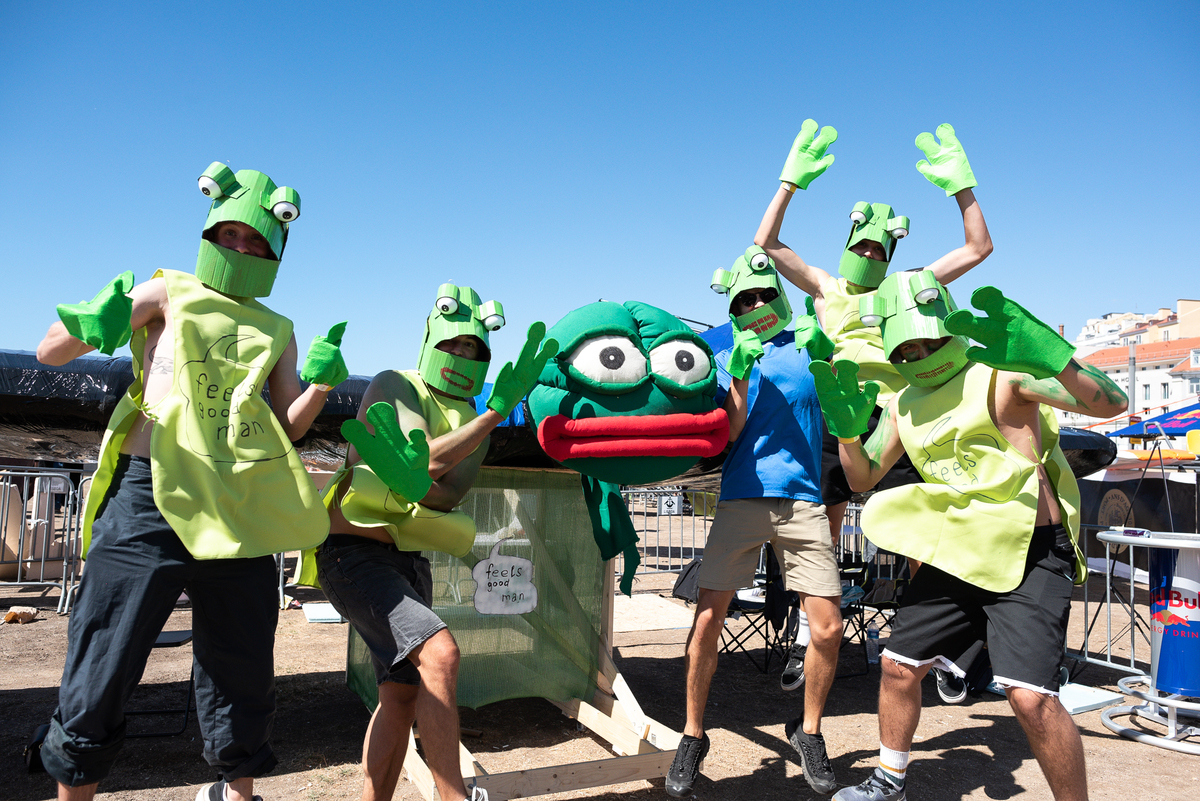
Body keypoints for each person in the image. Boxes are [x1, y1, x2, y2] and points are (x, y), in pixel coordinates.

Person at [36, 162, 347, 801]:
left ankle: (240, 794)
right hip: (150, 501)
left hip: (243, 507)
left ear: (277, 250)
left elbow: (285, 430)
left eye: (256, 240)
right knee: (102, 662)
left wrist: (319, 382)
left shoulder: (277, 329)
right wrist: (91, 321)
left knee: (242, 670)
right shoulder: (167, 289)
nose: (240, 248)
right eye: (229, 234)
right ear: (207, 233)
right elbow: (49, 354)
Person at [810, 274, 1127, 801]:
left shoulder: (998, 376)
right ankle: (890, 781)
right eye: (907, 347)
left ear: (949, 329)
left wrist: (1056, 358)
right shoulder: (903, 403)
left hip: (1030, 552)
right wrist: (846, 430)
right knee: (898, 666)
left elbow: (1109, 405)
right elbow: (863, 478)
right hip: (957, 550)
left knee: (1029, 698)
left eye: (930, 341)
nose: (921, 354)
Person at [754, 120, 993, 698]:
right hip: (840, 426)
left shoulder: (906, 287)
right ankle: (801, 640)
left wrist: (961, 186)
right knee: (817, 544)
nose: (868, 255)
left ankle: (934, 649)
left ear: (890, 254)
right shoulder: (827, 288)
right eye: (861, 245)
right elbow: (765, 246)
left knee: (918, 540)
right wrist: (790, 183)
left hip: (899, 426)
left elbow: (978, 248)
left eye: (878, 248)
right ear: (847, 244)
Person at [310, 284, 555, 801]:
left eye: (475, 349)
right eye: (455, 344)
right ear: (431, 337)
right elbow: (415, 462)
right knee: (441, 655)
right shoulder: (396, 384)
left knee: (400, 694)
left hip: (409, 560)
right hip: (351, 553)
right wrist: (483, 421)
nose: (463, 356)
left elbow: (444, 494)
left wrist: (420, 475)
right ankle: (454, 797)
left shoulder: (475, 425)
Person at [667, 246, 839, 797]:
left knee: (829, 628)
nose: (758, 303)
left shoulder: (812, 345)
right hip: (743, 497)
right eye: (745, 299)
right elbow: (734, 431)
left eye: (766, 294)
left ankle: (808, 730)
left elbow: (841, 411)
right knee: (706, 621)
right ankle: (693, 735)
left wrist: (831, 357)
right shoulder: (731, 358)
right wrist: (738, 372)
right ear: (734, 307)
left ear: (780, 296)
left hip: (805, 501)